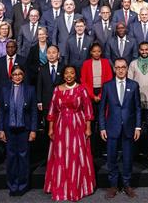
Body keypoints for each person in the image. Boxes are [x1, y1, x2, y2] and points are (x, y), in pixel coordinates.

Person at [44, 66, 95, 201]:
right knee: (61, 156)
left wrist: (88, 128)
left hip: (78, 125)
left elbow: (88, 109)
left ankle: (77, 188)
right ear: (63, 75)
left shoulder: (81, 89)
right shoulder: (57, 89)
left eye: (72, 73)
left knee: (76, 156)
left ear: (75, 75)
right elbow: (52, 111)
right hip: (60, 127)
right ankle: (62, 188)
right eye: (66, 73)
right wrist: (50, 128)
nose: (69, 75)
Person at [99, 58, 141, 199]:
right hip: (111, 127)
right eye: (118, 67)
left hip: (129, 128)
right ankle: (113, 185)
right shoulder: (107, 86)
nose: (121, 70)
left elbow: (137, 108)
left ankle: (127, 185)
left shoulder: (134, 85)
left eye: (123, 67)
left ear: (127, 68)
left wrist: (138, 127)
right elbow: (102, 109)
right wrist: (102, 127)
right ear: (114, 69)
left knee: (128, 158)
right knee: (111, 158)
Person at [0, 66, 37, 196]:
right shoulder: (5, 90)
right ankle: (13, 186)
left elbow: (33, 112)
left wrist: (33, 130)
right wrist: (1, 129)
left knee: (23, 157)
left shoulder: (30, 89)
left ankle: (23, 185)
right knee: (11, 158)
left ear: (23, 75)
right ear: (11, 76)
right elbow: (2, 112)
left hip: (24, 129)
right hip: (9, 129)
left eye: (20, 74)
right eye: (15, 74)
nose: (17, 76)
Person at [80, 43, 113, 157]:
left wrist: (100, 94)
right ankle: (91, 149)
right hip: (90, 94)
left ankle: (103, 148)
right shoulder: (86, 63)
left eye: (99, 51)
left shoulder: (105, 62)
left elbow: (109, 79)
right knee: (91, 122)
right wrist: (93, 96)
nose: (96, 53)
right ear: (90, 52)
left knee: (103, 120)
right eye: (94, 51)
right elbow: (83, 81)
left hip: (103, 92)